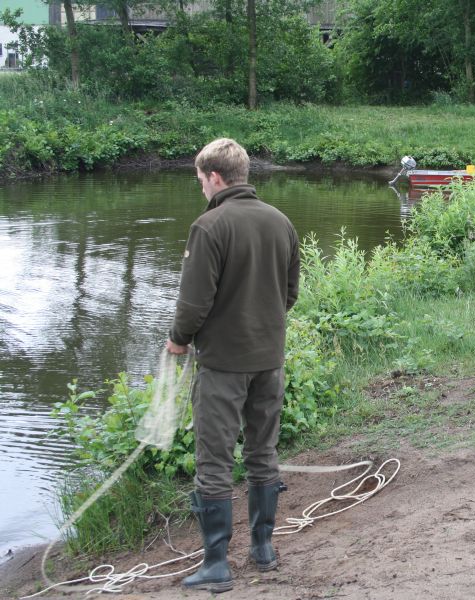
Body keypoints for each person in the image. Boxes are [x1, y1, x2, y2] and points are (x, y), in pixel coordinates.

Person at [165, 138, 300, 592]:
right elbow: (289, 293)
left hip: (222, 365)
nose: (201, 188)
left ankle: (216, 564)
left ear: (215, 177)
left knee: (214, 461)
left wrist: (178, 340)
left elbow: (193, 303)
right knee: (263, 453)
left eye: (200, 180)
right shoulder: (281, 221)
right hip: (269, 361)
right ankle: (263, 550)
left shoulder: (209, 226)